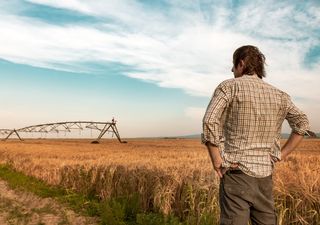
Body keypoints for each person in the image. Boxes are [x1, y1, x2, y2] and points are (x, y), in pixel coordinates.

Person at [202, 45, 310, 225]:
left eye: (233, 65)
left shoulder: (228, 87)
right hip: (265, 176)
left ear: (241, 64)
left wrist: (216, 160)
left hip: (236, 173)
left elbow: (209, 120)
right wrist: (280, 155)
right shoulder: (280, 95)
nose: (231, 70)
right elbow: (302, 123)